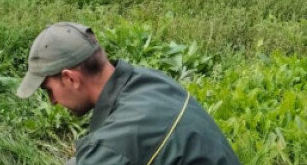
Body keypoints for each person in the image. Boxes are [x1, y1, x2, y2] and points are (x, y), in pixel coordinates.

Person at [17, 22, 240, 165]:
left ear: (70, 78)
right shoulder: (150, 80)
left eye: (49, 90)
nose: (53, 101)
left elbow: (112, 150)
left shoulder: (114, 143)